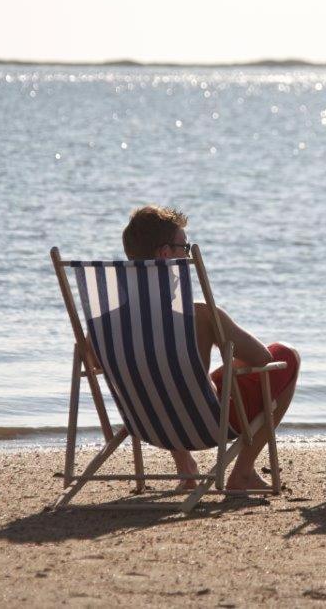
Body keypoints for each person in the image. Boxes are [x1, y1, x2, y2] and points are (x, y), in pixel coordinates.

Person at [122, 205, 300, 491]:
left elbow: (93, 363)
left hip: (145, 422)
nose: (187, 254)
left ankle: (186, 468)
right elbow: (261, 358)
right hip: (201, 424)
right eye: (185, 247)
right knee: (286, 356)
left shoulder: (107, 323)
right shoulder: (202, 316)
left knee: (161, 381)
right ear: (166, 254)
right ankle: (242, 472)